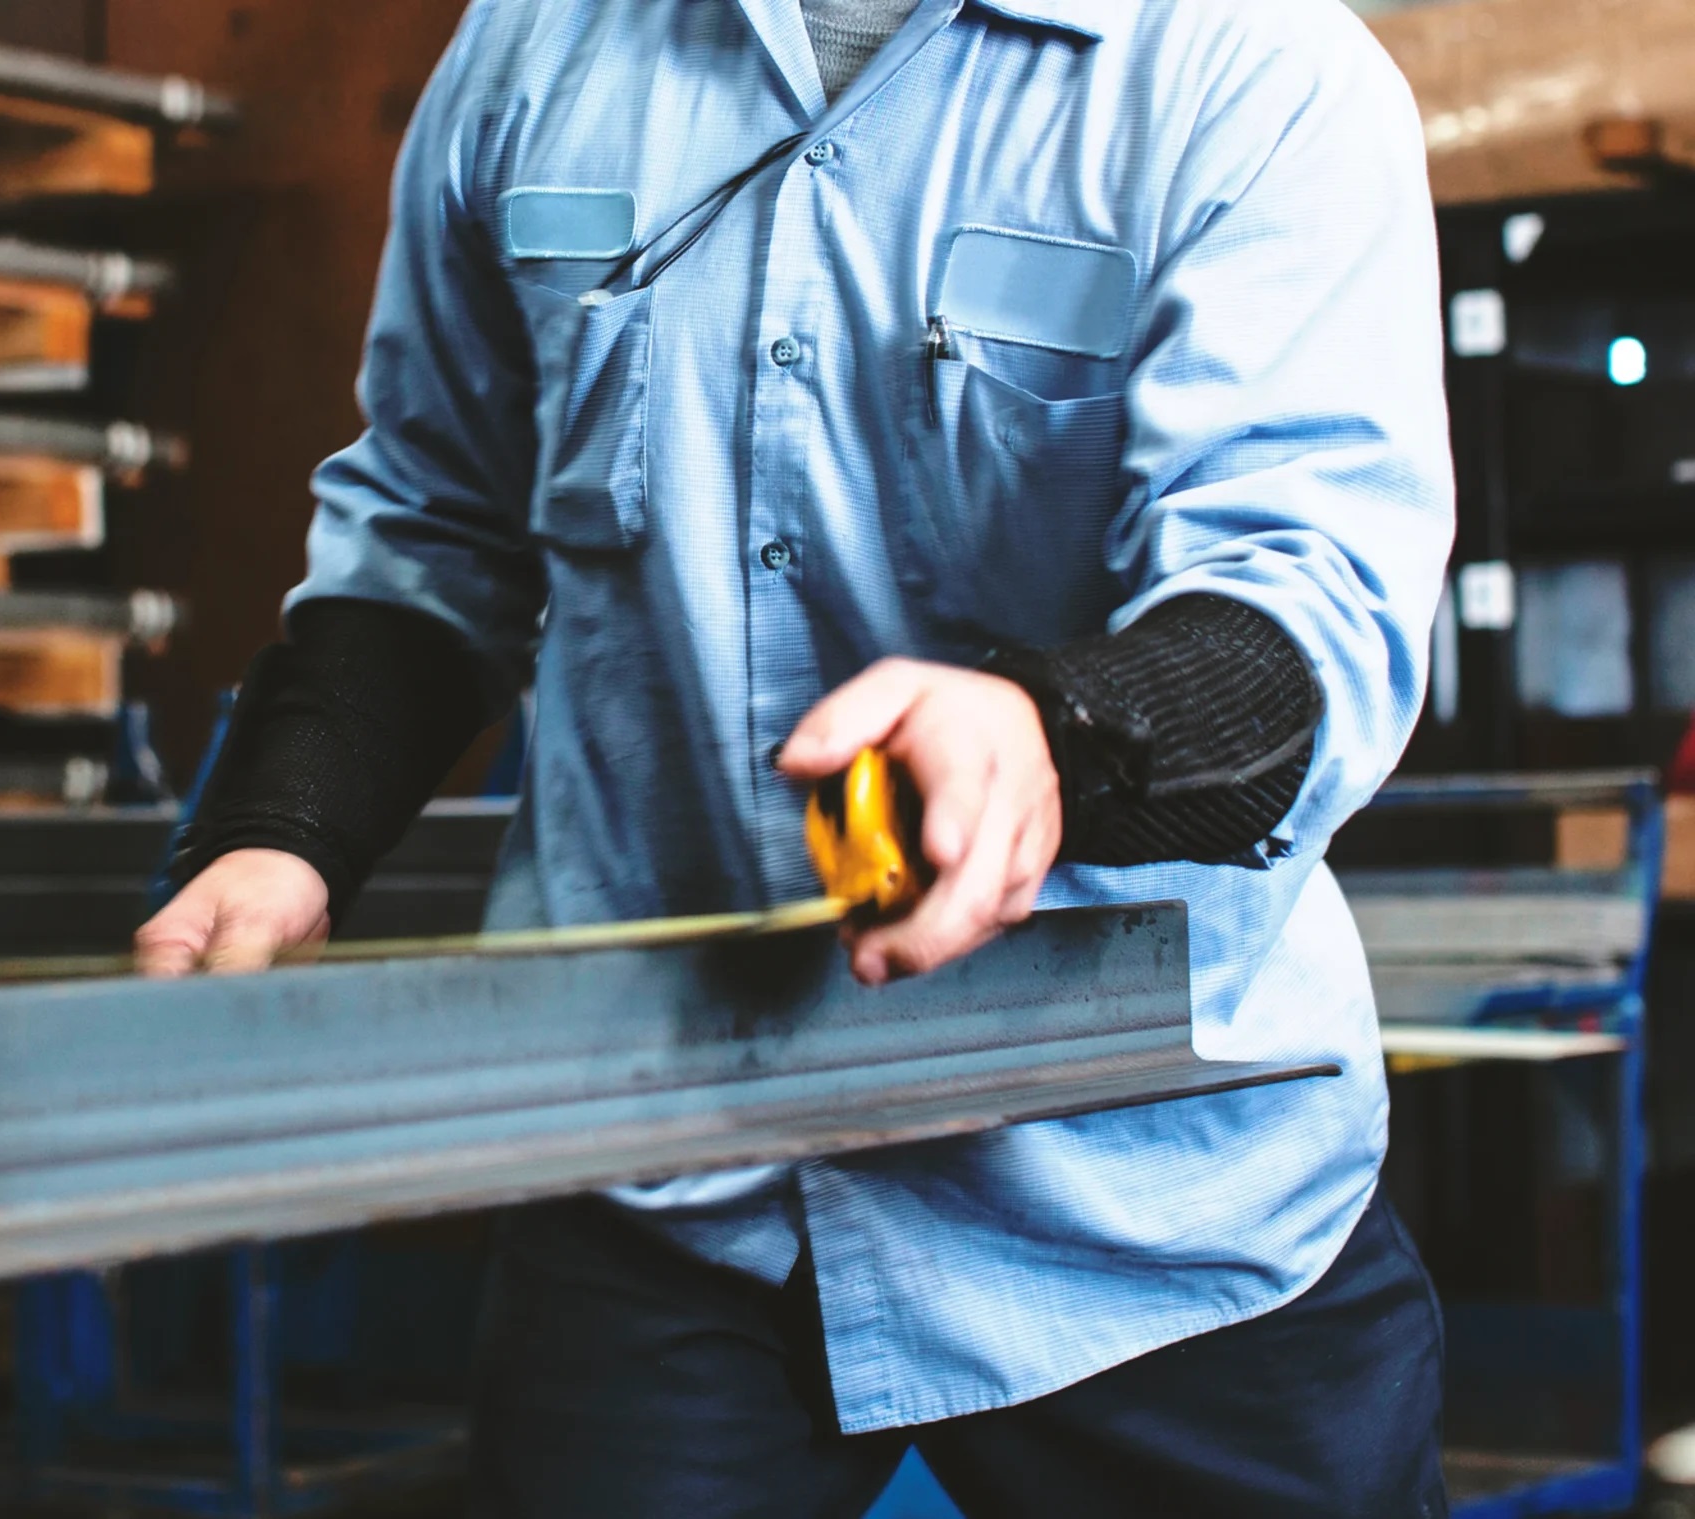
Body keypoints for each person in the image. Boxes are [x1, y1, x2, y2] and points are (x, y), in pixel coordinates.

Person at [138, 0, 1457, 1513]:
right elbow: (434, 525)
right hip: (673, 1163)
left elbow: (1316, 615)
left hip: (1144, 1195)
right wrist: (287, 826)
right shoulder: (531, 50)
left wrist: (1052, 737)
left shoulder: (1254, 72)